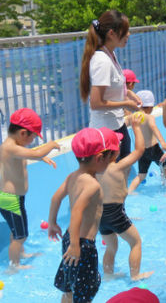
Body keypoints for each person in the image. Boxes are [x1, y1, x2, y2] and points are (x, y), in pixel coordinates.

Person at [49, 127, 119, 303]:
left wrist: (52, 223)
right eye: (111, 158)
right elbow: (77, 211)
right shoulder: (92, 185)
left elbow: (55, 198)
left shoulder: (73, 176)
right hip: (82, 246)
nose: (112, 162)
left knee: (69, 289)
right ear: (99, 158)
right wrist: (75, 245)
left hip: (68, 239)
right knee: (84, 295)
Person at [0, 108, 60, 270]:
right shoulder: (10, 147)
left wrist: (41, 156)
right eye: (33, 137)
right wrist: (50, 146)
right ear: (23, 133)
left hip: (13, 198)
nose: (33, 141)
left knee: (16, 231)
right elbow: (35, 153)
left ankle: (20, 253)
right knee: (21, 235)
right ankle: (14, 266)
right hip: (11, 200)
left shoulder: (14, 146)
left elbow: (32, 153)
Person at [97, 120, 155, 281]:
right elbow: (139, 150)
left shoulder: (93, 170)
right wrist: (136, 127)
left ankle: (108, 274)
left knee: (111, 246)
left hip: (100, 215)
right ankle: (135, 275)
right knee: (135, 242)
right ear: (115, 152)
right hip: (116, 213)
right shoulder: (118, 166)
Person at [80, 10, 140, 161]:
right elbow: (96, 103)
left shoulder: (110, 55)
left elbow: (113, 88)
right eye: (125, 31)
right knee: (113, 180)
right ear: (112, 34)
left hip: (116, 126)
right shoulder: (102, 61)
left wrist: (129, 95)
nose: (129, 35)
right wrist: (126, 104)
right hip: (106, 133)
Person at [128, 90, 166, 194]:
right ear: (150, 107)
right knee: (165, 167)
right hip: (153, 149)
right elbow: (153, 127)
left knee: (141, 175)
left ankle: (130, 191)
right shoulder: (149, 117)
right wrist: (163, 142)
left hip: (141, 151)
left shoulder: (132, 117)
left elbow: (123, 124)